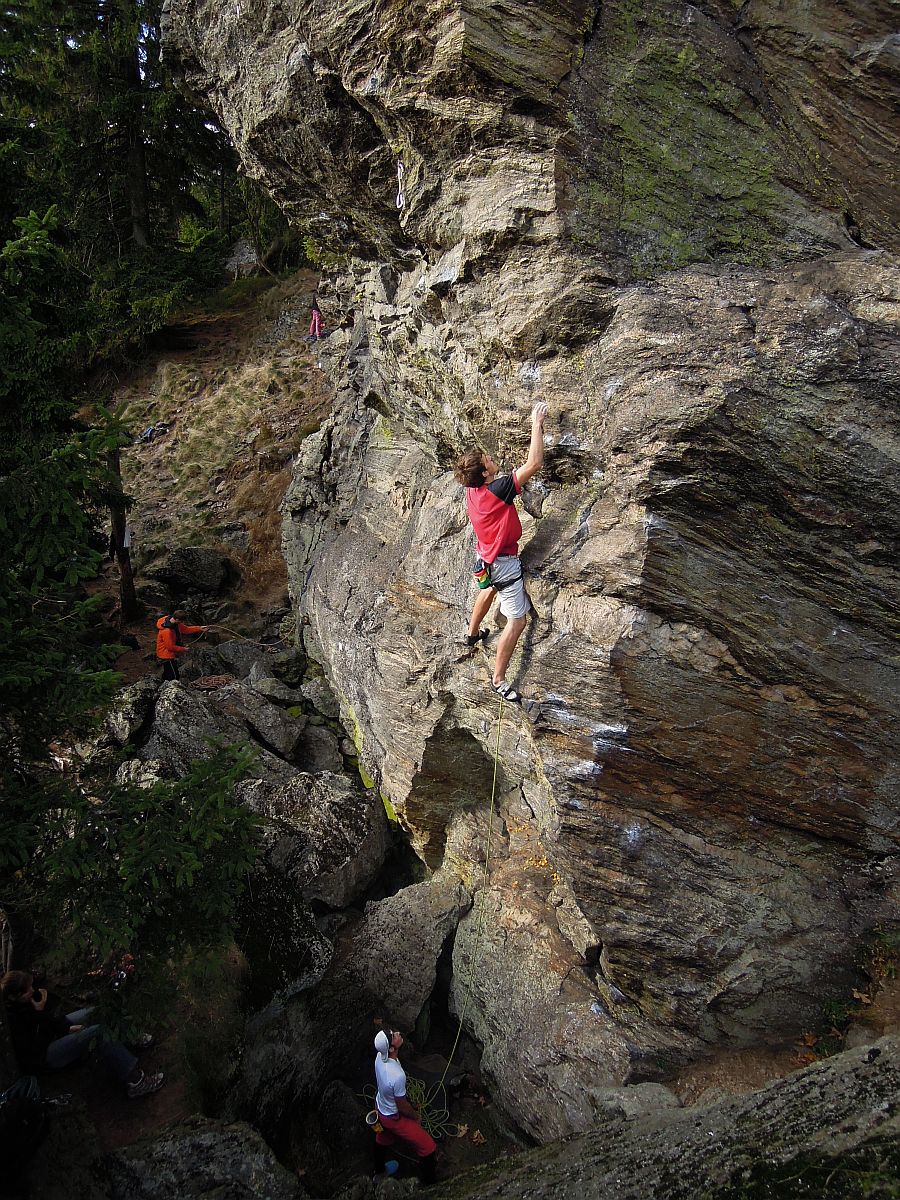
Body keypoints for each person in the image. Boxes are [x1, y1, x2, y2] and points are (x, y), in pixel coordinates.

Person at [453, 401, 549, 703]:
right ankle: (498, 679)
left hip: (484, 558)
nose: (491, 458)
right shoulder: (497, 490)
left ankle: (471, 633)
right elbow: (534, 463)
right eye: (487, 460)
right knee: (517, 621)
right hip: (504, 563)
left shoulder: (473, 490)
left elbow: (493, 486)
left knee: (489, 589)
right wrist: (536, 423)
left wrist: (500, 480)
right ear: (483, 473)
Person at [0, 970, 164, 1099]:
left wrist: (64, 1026)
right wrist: (43, 1015)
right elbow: (35, 1047)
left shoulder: (26, 1003)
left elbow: (53, 1020)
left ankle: (128, 1036)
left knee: (96, 1012)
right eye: (27, 990)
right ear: (14, 996)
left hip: (51, 1032)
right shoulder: (13, 1020)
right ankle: (135, 1082)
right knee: (97, 1033)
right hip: (45, 1054)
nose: (33, 991)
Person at [373, 1028, 436, 1183]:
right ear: (391, 1048)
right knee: (428, 1147)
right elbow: (402, 1106)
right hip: (393, 1117)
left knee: (383, 1137)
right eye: (393, 1036)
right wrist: (416, 1116)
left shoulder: (380, 1057)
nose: (398, 1033)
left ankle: (379, 1171)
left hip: (380, 1106)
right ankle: (429, 1184)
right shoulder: (397, 1076)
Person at [155, 610, 208, 681]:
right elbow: (170, 647)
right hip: (166, 654)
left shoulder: (174, 622)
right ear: (177, 619)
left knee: (167, 671)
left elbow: (186, 629)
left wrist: (199, 628)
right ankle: (170, 689)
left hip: (168, 652)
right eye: (182, 621)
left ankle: (162, 683)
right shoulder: (167, 631)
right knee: (174, 675)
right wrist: (184, 649)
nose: (183, 623)